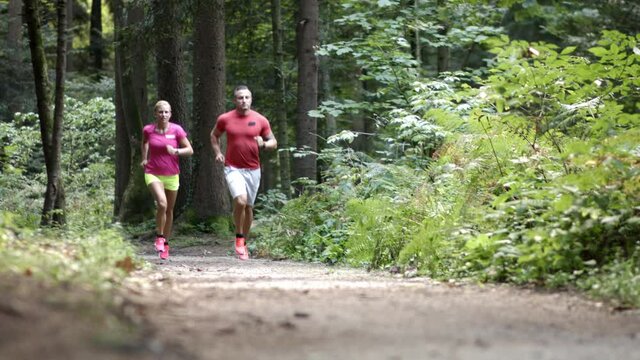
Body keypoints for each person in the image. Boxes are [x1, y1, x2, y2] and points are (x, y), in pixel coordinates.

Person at [211, 85, 277, 260]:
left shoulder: (260, 120)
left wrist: (264, 143)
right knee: (240, 200)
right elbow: (214, 136)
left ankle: (243, 242)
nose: (244, 101)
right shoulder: (225, 118)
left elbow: (273, 142)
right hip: (233, 168)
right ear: (235, 100)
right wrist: (218, 153)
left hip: (253, 169)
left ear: (251, 99)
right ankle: (239, 237)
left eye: (247, 97)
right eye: (240, 98)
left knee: (248, 207)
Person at [141, 100, 193, 260]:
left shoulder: (177, 130)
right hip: (153, 172)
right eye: (160, 112)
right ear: (155, 114)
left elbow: (189, 150)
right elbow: (144, 143)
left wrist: (176, 151)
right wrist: (144, 158)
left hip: (172, 174)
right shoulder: (148, 130)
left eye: (166, 112)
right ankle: (159, 236)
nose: (163, 115)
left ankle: (166, 243)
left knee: (169, 210)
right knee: (162, 204)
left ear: (170, 114)